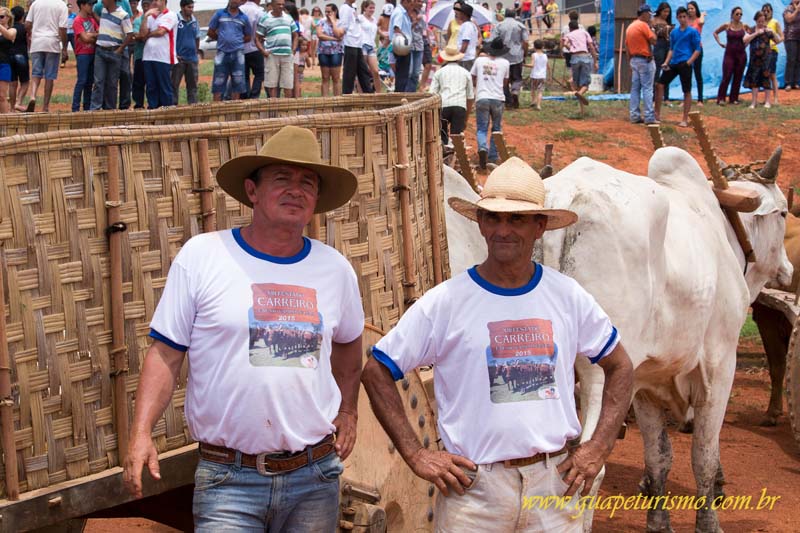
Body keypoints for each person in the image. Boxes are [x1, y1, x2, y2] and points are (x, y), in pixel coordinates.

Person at [361, 157, 634, 533]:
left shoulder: (567, 296)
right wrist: (418, 455)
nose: (503, 230)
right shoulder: (447, 301)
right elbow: (377, 370)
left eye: (517, 219)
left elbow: (620, 365)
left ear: (540, 227)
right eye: (494, 218)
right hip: (475, 493)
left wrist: (599, 447)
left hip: (554, 485)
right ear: (481, 224)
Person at [122, 125, 364, 531]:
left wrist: (349, 409)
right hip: (228, 478)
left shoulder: (334, 269)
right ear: (252, 191)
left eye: (307, 182)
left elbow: (350, 344)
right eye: (282, 179)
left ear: (317, 199)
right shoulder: (204, 256)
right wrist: (140, 432)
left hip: (314, 475)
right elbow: (165, 353)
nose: (295, 190)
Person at [655, 6, 701, 127]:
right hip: (674, 63)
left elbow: (697, 49)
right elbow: (671, 49)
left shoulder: (692, 31)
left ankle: (685, 119)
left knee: (686, 91)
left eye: (684, 16)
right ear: (677, 18)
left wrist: (689, 62)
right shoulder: (674, 32)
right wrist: (666, 62)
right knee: (660, 85)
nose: (682, 19)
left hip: (685, 62)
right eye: (680, 17)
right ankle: (656, 114)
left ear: (687, 17)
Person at [19, 0, 68, 112]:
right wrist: (64, 47)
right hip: (52, 42)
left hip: (37, 42)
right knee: (49, 76)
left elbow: (27, 24)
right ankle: (45, 107)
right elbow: (63, 29)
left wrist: (32, 33)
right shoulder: (61, 5)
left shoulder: (36, 3)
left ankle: (32, 96)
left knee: (36, 73)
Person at [471, 37, 509, 169]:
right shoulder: (505, 63)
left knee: (482, 128)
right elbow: (505, 82)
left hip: (482, 97)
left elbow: (473, 77)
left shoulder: (480, 60)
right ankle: (492, 157)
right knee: (496, 128)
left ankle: (482, 148)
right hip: (498, 98)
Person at [91, 0, 134, 111]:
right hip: (100, 50)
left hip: (114, 51)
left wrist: (120, 49)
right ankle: (95, 109)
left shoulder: (123, 15)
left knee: (112, 83)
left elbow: (130, 34)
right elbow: (102, 21)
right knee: (98, 81)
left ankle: (109, 109)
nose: (102, 1)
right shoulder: (104, 11)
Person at [429, 44, 473, 148]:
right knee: (456, 138)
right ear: (458, 58)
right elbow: (470, 97)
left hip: (443, 106)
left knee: (442, 135)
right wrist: (466, 117)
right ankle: (455, 156)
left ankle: (443, 156)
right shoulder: (466, 73)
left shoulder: (439, 73)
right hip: (460, 106)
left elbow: (432, 94)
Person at [208, 0, 252, 101]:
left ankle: (233, 112)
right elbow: (210, 32)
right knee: (218, 82)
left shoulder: (244, 17)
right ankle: (216, 111)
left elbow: (248, 36)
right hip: (222, 53)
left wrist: (237, 41)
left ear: (240, 2)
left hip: (238, 54)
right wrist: (221, 39)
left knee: (238, 82)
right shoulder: (219, 14)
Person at [139, 0, 177, 109]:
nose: (155, 2)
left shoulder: (171, 15)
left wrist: (148, 34)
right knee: (151, 87)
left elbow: (161, 32)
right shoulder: (150, 17)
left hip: (163, 57)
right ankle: (153, 109)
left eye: (158, 0)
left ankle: (167, 112)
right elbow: (142, 34)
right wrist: (145, 16)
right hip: (148, 57)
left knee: (164, 86)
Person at [256, 0, 297, 98]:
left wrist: (293, 50)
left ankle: (287, 110)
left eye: (283, 4)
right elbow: (257, 38)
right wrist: (263, 51)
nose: (281, 6)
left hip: (287, 55)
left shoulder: (288, 17)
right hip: (272, 55)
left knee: (288, 85)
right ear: (272, 5)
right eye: (278, 4)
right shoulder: (265, 18)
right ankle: (274, 110)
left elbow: (295, 35)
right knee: (272, 85)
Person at [625, 4, 657, 124]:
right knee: (648, 88)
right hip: (645, 60)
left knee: (635, 89)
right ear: (645, 13)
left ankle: (634, 115)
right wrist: (652, 29)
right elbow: (654, 41)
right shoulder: (643, 25)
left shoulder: (630, 27)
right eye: (649, 14)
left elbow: (627, 47)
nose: (650, 17)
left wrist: (629, 63)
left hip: (634, 60)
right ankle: (649, 116)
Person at [744, 9, 781, 109]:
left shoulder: (768, 30)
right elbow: (744, 41)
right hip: (754, 59)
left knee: (766, 80)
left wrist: (773, 32)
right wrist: (756, 33)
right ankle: (754, 102)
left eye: (763, 21)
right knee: (754, 80)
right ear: (755, 20)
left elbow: (778, 40)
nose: (761, 23)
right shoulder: (751, 30)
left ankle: (768, 101)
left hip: (766, 59)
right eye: (759, 21)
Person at [492, 8, 528, 109]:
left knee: (504, 79)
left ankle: (508, 100)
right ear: (514, 15)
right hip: (517, 56)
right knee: (516, 77)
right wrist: (525, 53)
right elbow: (525, 41)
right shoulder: (520, 25)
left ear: (505, 14)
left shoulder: (498, 25)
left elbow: (494, 41)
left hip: (502, 56)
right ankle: (515, 92)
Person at [713, 6, 747, 105]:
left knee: (738, 76)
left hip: (741, 54)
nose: (739, 16)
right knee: (726, 75)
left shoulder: (744, 26)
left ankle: (734, 98)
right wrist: (720, 43)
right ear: (732, 15)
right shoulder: (727, 25)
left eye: (741, 14)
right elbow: (715, 32)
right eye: (737, 14)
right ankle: (721, 98)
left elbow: (751, 35)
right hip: (729, 54)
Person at [339, 0, 373, 94]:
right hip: (350, 43)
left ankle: (369, 95)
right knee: (349, 74)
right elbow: (343, 28)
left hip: (357, 44)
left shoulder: (352, 7)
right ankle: (346, 97)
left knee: (363, 72)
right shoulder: (345, 8)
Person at [563, 19, 597, 114]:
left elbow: (565, 44)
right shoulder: (585, 32)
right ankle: (580, 94)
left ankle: (581, 110)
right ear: (578, 26)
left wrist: (571, 49)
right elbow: (591, 46)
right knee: (585, 84)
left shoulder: (569, 35)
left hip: (574, 58)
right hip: (585, 57)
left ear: (570, 28)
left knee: (577, 84)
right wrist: (595, 61)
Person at [72, 0, 98, 112]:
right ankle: (75, 108)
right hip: (82, 53)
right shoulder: (77, 20)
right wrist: (93, 36)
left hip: (92, 53)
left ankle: (87, 107)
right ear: (82, 5)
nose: (92, 7)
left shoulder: (92, 19)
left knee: (89, 82)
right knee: (82, 80)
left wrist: (89, 34)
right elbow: (85, 38)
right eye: (89, 4)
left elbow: (99, 33)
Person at [171, 0, 198, 105]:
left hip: (192, 59)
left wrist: (195, 52)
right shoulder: (176, 19)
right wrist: (174, 54)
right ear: (182, 7)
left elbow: (197, 38)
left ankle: (193, 107)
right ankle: (172, 107)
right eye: (189, 7)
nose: (191, 10)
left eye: (192, 7)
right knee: (174, 85)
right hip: (179, 59)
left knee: (192, 86)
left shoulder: (194, 21)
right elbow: (171, 37)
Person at [316, 3, 344, 96]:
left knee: (336, 78)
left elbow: (339, 34)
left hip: (336, 52)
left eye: (329, 12)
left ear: (335, 11)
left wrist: (333, 22)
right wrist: (334, 39)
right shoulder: (321, 22)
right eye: (326, 12)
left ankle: (337, 102)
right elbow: (320, 35)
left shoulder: (341, 22)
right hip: (323, 52)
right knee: (325, 77)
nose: (327, 14)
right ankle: (325, 102)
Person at [240, 0, 264, 99]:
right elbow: (262, 31)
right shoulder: (259, 11)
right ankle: (254, 96)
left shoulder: (240, 10)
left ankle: (245, 96)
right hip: (256, 47)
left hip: (241, 48)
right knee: (259, 74)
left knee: (244, 74)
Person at [388, 0, 412, 91]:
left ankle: (399, 94)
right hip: (401, 47)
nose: (411, 4)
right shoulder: (400, 13)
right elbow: (396, 28)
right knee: (402, 75)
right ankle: (399, 96)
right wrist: (405, 38)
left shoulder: (403, 12)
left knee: (402, 75)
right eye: (410, 2)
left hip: (401, 46)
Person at [651, 2, 672, 104]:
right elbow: (651, 33)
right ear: (660, 11)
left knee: (667, 70)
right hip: (659, 45)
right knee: (657, 70)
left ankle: (666, 97)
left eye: (668, 12)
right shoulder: (654, 21)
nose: (666, 14)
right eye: (665, 11)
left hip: (668, 45)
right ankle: (654, 97)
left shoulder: (667, 21)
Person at [9, 6, 29, 111]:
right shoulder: (23, 28)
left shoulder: (9, 28)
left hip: (10, 56)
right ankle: (19, 102)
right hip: (21, 55)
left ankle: (12, 108)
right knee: (25, 82)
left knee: (12, 84)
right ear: (22, 16)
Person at [762, 4, 782, 105]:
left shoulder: (775, 22)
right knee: (764, 75)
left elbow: (782, 37)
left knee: (772, 75)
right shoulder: (761, 23)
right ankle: (766, 97)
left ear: (772, 12)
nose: (766, 13)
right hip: (762, 52)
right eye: (764, 11)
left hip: (772, 51)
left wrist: (774, 43)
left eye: (768, 11)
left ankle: (776, 98)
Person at [686, 1, 705, 105]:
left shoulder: (699, 20)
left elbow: (702, 22)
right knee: (686, 74)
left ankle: (700, 99)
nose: (690, 10)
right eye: (688, 9)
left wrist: (701, 14)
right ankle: (686, 98)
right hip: (687, 50)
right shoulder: (686, 21)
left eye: (692, 8)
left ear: (696, 9)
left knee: (698, 74)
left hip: (697, 50)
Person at [131, 0, 149, 108]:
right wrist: (146, 35)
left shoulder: (155, 20)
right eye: (144, 5)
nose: (146, 8)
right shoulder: (138, 21)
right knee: (138, 82)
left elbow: (142, 36)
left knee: (151, 82)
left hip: (152, 57)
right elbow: (138, 36)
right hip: (140, 55)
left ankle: (152, 104)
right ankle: (139, 105)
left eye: (147, 5)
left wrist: (144, 36)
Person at [360, 0, 381, 93]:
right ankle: (361, 95)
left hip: (371, 46)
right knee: (362, 71)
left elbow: (377, 31)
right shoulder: (360, 18)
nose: (372, 10)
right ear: (365, 8)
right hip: (362, 45)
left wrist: (385, 34)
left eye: (373, 8)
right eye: (370, 8)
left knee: (375, 71)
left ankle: (379, 94)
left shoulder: (374, 19)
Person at [0, 7, 17, 114]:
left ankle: (5, 123)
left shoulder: (12, 30)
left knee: (1, 95)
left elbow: (10, 36)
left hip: (4, 65)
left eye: (1, 16)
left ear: (8, 18)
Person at [454, 1, 478, 71]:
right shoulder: (472, 25)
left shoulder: (466, 25)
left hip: (465, 58)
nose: (458, 14)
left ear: (464, 14)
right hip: (470, 56)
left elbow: (465, 43)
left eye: (460, 12)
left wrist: (459, 56)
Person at [783, 0, 800, 91]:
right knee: (791, 59)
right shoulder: (788, 9)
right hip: (790, 37)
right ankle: (788, 83)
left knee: (798, 60)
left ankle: (796, 82)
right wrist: (797, 10)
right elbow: (789, 19)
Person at [527, 39, 548, 109]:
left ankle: (533, 101)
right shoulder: (545, 56)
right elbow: (548, 66)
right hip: (542, 76)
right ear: (543, 47)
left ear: (534, 47)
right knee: (540, 92)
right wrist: (550, 75)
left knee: (533, 89)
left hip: (534, 76)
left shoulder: (534, 55)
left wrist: (524, 65)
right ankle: (538, 105)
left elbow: (532, 65)